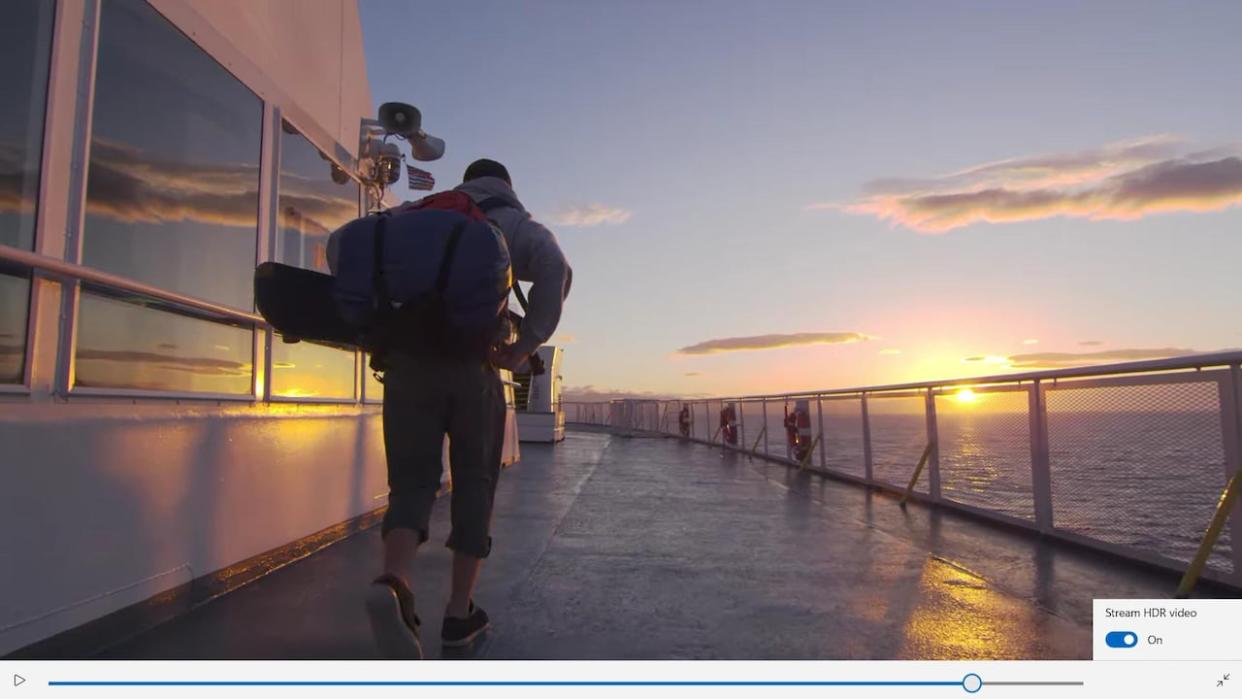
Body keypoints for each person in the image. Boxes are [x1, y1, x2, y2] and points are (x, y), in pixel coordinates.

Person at [365, 158, 572, 659]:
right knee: (474, 480)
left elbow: (348, 250)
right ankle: (459, 614)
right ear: (507, 183)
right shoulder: (516, 224)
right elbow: (556, 271)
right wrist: (525, 346)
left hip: (408, 368)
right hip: (475, 367)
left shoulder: (414, 214)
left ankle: (393, 581)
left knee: (411, 481)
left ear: (466, 180)